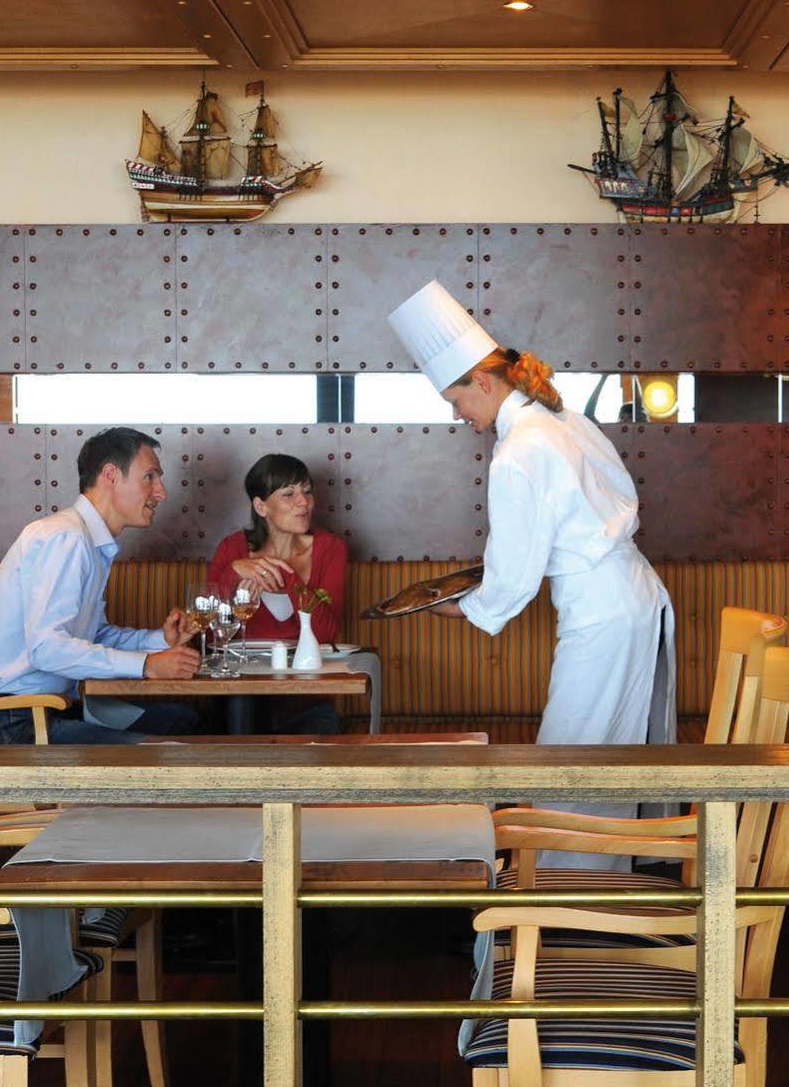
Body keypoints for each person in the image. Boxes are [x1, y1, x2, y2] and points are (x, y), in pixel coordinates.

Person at [389, 280, 675, 868]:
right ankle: (594, 887)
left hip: (603, 611)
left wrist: (462, 606)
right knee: (601, 754)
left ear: (484, 383)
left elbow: (516, 571)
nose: (460, 417)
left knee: (573, 761)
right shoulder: (557, 417)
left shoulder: (520, 448)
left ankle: (572, 900)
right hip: (626, 595)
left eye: (457, 402)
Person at [0, 426, 204, 743]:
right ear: (111, 475)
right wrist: (146, 665)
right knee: (166, 752)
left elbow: (93, 635)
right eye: (150, 477)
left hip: (46, 709)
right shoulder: (66, 537)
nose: (161, 492)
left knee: (183, 722)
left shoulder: (88, 540)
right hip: (10, 721)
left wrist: (161, 640)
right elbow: (47, 649)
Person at [206, 452, 347, 735]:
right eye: (288, 494)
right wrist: (235, 571)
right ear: (261, 506)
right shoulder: (232, 550)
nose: (303, 502)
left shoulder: (329, 549)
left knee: (318, 738)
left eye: (307, 492)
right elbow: (209, 633)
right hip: (238, 693)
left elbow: (327, 633)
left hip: (304, 695)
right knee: (240, 707)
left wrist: (289, 580)